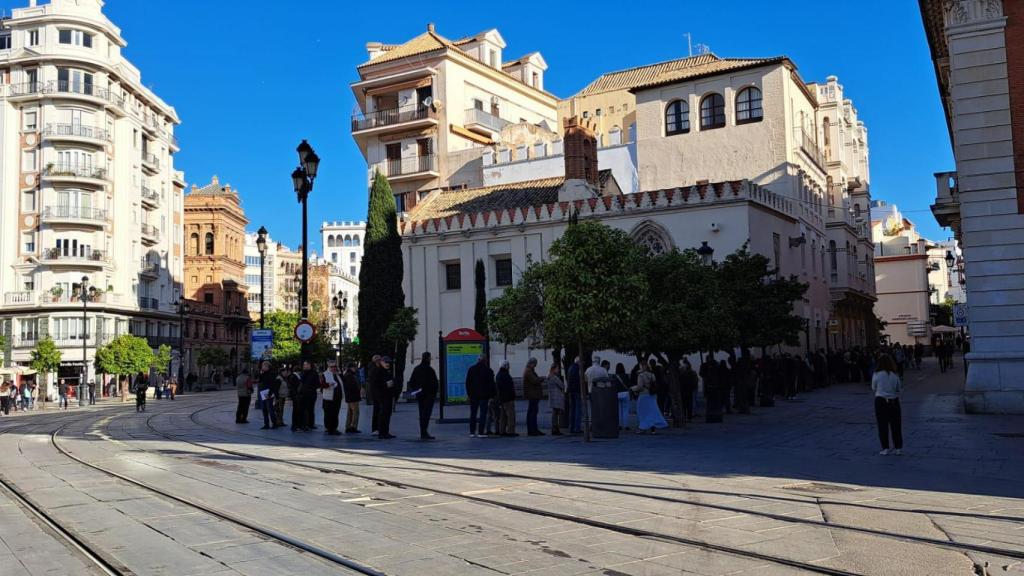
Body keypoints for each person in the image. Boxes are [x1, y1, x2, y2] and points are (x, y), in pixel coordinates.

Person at [871, 354, 903, 455]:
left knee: (882, 425)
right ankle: (898, 448)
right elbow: (899, 388)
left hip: (881, 400)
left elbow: (873, 387)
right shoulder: (895, 374)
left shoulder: (876, 374)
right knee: (896, 425)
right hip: (894, 401)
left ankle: (885, 448)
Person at [408, 351, 439, 440]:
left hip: (420, 395)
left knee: (422, 413)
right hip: (429, 395)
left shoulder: (417, 369)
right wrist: (433, 392)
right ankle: (424, 432)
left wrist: (417, 390)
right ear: (428, 358)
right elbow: (435, 383)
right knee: (427, 414)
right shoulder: (430, 369)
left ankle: (423, 432)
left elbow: (411, 382)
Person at [632, 362, 667, 434]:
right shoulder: (652, 375)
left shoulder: (641, 375)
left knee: (642, 412)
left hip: (643, 395)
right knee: (651, 412)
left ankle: (642, 428)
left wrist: (633, 389)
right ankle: (652, 429)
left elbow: (640, 387)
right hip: (652, 395)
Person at [465, 355, 495, 438]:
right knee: (483, 414)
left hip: (473, 396)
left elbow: (468, 383)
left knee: (473, 414)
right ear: (485, 361)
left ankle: (472, 432)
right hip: (484, 396)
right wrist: (492, 395)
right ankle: (481, 432)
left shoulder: (471, 369)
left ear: (478, 360)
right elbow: (491, 384)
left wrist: (469, 394)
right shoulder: (488, 371)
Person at [370, 356, 396, 439]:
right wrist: (386, 385)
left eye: (389, 362)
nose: (388, 364)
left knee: (387, 414)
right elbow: (375, 384)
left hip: (388, 395)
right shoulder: (378, 371)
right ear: (381, 362)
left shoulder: (388, 371)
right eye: (385, 362)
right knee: (383, 413)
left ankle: (386, 431)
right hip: (381, 396)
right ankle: (381, 432)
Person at [584, 356, 611, 430]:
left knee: (592, 408)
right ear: (599, 361)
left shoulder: (588, 370)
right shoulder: (603, 370)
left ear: (592, 361)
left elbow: (585, 380)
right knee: (601, 408)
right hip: (601, 391)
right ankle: (600, 423)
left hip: (591, 391)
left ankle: (592, 423)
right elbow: (608, 382)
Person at [522, 358, 544, 436]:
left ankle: (533, 429)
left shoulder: (529, 370)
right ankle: (532, 430)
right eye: (535, 364)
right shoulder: (528, 371)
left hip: (533, 394)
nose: (535, 365)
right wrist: (541, 378)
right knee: (532, 413)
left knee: (532, 412)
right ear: (532, 363)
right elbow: (535, 381)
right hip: (532, 395)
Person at [496, 360, 517, 437]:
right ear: (505, 366)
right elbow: (509, 387)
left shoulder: (499, 375)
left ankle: (502, 430)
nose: (509, 367)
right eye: (508, 365)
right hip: (508, 398)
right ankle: (511, 431)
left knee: (503, 416)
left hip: (502, 398)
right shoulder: (505, 375)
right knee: (511, 415)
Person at [321, 362, 343, 435]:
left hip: (337, 397)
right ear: (328, 367)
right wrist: (328, 384)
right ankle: (330, 428)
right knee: (329, 414)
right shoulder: (325, 374)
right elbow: (322, 385)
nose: (334, 368)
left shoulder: (338, 374)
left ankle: (334, 428)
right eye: (332, 367)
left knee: (336, 413)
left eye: (335, 366)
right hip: (329, 398)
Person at [297, 360, 320, 432]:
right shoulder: (303, 373)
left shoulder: (314, 373)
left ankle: (309, 424)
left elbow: (317, 384)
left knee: (310, 409)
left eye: (306, 364)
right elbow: (301, 383)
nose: (304, 366)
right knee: (305, 410)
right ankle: (306, 425)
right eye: (304, 364)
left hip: (311, 394)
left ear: (310, 365)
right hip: (304, 394)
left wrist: (310, 388)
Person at [257, 361, 279, 429]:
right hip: (264, 392)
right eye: (262, 366)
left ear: (268, 367)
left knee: (270, 409)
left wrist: (270, 394)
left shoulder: (272, 374)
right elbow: (260, 381)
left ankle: (274, 423)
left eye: (264, 366)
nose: (262, 367)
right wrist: (261, 373)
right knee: (264, 409)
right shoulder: (263, 374)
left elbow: (273, 385)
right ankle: (266, 424)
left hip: (269, 392)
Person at [546, 363, 566, 436]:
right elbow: (562, 385)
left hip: (552, 396)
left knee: (554, 413)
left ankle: (554, 428)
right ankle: (555, 429)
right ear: (554, 369)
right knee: (556, 414)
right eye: (557, 368)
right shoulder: (554, 377)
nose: (558, 370)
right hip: (557, 397)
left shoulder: (549, 376)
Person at [342, 362, 362, 434]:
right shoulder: (350, 376)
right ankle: (353, 427)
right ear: (350, 368)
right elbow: (352, 386)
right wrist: (358, 389)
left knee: (350, 412)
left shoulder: (348, 375)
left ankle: (348, 426)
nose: (355, 369)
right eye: (354, 367)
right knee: (355, 412)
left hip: (350, 396)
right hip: (353, 397)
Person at [612, 362, 631, 431]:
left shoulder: (614, 376)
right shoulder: (626, 376)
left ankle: (619, 425)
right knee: (626, 410)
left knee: (619, 410)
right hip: (625, 393)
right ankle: (626, 425)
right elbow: (629, 385)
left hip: (617, 394)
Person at [567, 357, 583, 434]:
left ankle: (571, 427)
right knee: (578, 409)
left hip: (570, 391)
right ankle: (577, 428)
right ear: (579, 362)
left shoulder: (570, 368)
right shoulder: (578, 369)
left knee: (572, 409)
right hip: (577, 390)